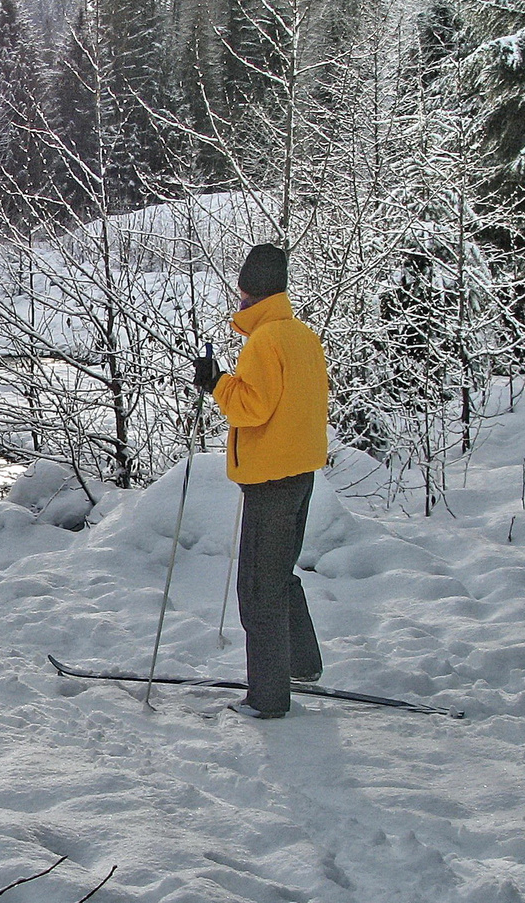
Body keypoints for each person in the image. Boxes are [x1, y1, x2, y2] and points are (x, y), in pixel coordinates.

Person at [194, 243, 329, 719]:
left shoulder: (265, 341)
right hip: (300, 474)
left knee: (258, 587)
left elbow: (251, 408)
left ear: (251, 291)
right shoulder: (302, 336)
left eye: (242, 290)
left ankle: (268, 698)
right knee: (279, 573)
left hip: (271, 480)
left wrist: (215, 382)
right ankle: (301, 664)